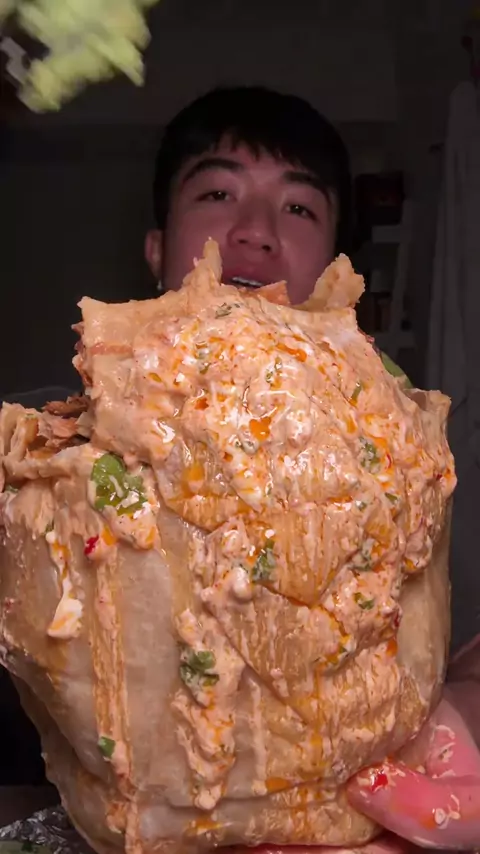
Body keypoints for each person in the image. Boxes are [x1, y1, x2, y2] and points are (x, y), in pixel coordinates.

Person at [2, 85, 480, 848]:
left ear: (336, 264)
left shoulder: (416, 456)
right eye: (218, 194)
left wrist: (464, 701)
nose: (255, 233)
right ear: (157, 247)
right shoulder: (40, 451)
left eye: (299, 208)